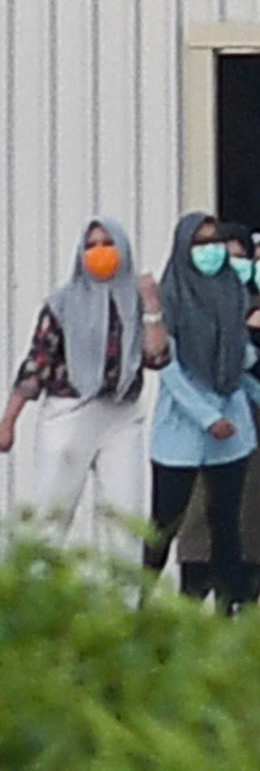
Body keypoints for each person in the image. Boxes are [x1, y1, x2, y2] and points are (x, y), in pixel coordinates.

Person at [2, 221, 162, 558]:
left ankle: (124, 592)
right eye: (92, 245)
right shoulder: (62, 303)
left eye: (108, 243)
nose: (100, 251)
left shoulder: (137, 301)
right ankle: (36, 588)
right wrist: (9, 420)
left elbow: (157, 357)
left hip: (121, 415)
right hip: (70, 413)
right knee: (51, 517)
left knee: (125, 521)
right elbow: (37, 363)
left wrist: (152, 307)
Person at [143, 213, 260, 606]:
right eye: (200, 243)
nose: (210, 250)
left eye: (215, 241)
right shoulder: (169, 297)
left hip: (232, 423)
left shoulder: (233, 289)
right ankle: (143, 601)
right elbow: (169, 369)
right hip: (183, 425)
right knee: (166, 521)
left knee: (226, 522)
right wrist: (207, 418)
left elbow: (241, 356)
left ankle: (228, 609)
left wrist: (252, 348)